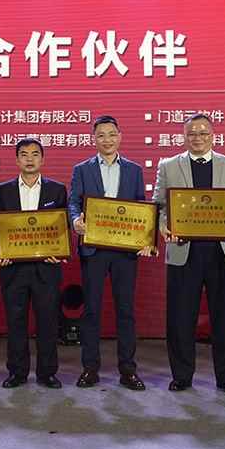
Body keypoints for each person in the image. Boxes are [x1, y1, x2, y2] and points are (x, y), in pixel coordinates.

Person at [153, 113, 225, 394]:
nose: (197, 138)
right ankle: (182, 376)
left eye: (203, 133)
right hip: (183, 251)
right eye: (192, 134)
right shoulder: (168, 166)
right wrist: (163, 227)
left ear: (213, 136)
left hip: (224, 251)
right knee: (180, 317)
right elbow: (159, 205)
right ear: (184, 137)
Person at [69, 115, 155, 391]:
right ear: (93, 139)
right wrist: (75, 220)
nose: (106, 139)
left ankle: (128, 370)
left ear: (120, 136)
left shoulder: (134, 170)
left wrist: (146, 238)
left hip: (124, 251)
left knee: (125, 311)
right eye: (101, 135)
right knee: (91, 311)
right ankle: (90, 369)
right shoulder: (82, 170)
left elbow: (141, 206)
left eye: (111, 134)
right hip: (93, 249)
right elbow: (73, 202)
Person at [0, 138, 67, 389]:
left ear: (42, 159)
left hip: (46, 267)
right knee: (16, 323)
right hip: (13, 268)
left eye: (35, 154)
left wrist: (60, 252)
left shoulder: (57, 190)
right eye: (24, 154)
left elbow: (62, 227)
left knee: (48, 323)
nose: (30, 159)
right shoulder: (3, 191)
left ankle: (47, 373)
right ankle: (17, 372)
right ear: (17, 160)